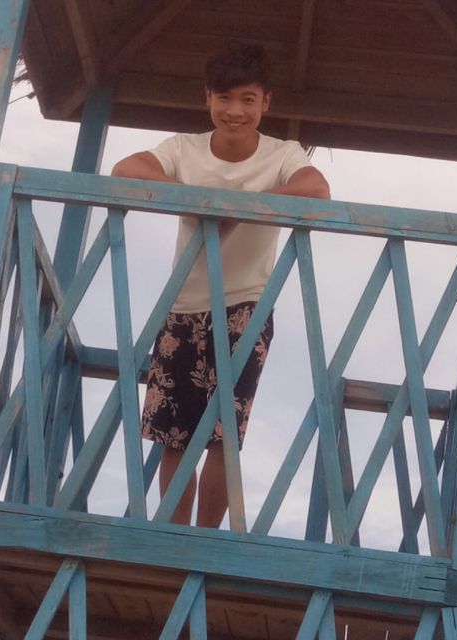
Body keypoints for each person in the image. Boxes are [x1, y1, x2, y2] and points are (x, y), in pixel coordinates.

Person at [112, 41, 330, 528]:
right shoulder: (183, 149)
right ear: (207, 97)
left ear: (266, 102)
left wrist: (240, 209)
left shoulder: (283, 154)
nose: (235, 111)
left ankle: (207, 540)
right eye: (224, 98)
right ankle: (173, 537)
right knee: (175, 436)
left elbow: (316, 190)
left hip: (246, 307)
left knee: (224, 435)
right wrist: (197, 200)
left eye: (248, 99)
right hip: (182, 305)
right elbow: (127, 170)